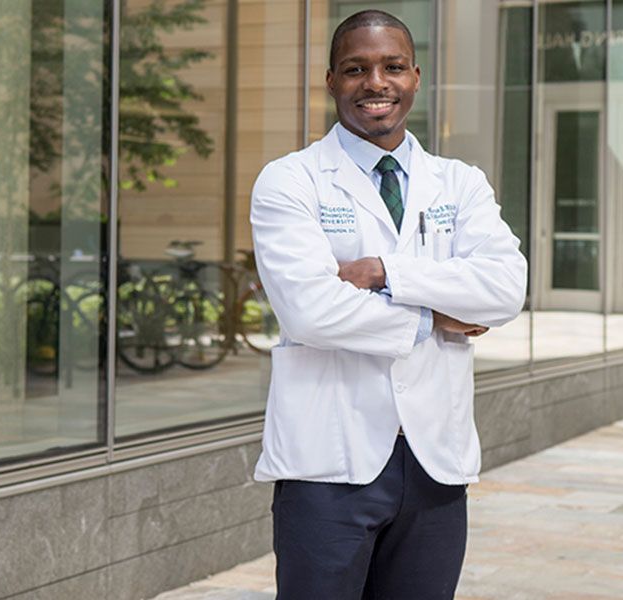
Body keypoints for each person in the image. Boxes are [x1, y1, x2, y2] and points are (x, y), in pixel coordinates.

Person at [248, 9, 528, 600]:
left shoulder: (460, 183)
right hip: (330, 464)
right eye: (356, 69)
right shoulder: (291, 181)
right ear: (331, 81)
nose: (376, 83)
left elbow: (504, 289)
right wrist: (437, 314)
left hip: (434, 463)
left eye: (392, 67)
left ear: (415, 77)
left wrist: (385, 273)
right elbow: (312, 312)